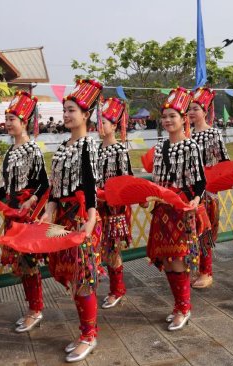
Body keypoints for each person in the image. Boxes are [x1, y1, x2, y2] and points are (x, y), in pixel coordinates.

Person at [40, 79, 103, 363]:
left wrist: (89, 221)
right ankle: (84, 332)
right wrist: (49, 208)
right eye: (64, 110)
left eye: (71, 111)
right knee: (68, 275)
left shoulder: (90, 146)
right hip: (62, 218)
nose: (66, 115)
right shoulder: (64, 146)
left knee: (82, 277)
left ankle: (89, 335)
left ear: (86, 115)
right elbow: (55, 187)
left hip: (80, 217)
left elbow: (90, 187)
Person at [0, 91, 49, 333]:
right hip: (12, 211)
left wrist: (31, 199)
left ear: (25, 122)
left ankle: (36, 309)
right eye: (7, 118)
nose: (8, 123)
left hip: (27, 214)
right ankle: (33, 307)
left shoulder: (33, 150)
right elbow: (9, 184)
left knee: (29, 262)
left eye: (13, 118)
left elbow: (43, 183)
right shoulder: (11, 151)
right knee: (21, 264)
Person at [148, 87, 207, 330]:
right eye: (165, 117)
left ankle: (184, 307)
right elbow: (155, 181)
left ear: (184, 119)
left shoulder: (191, 146)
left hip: (182, 208)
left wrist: (195, 199)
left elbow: (200, 181)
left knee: (180, 257)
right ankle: (178, 304)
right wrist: (148, 195)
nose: (168, 121)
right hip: (163, 210)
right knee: (168, 258)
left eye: (173, 116)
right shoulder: (160, 147)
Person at [187, 87, 229, 289]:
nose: (192, 112)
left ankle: (206, 271)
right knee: (190, 231)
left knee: (204, 230)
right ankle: (194, 268)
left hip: (208, 190)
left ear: (205, 111)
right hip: (189, 190)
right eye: (189, 109)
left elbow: (224, 162)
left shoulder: (213, 133)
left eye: (196, 108)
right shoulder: (187, 135)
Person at [96, 97, 133, 309]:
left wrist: (110, 194)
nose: (101, 126)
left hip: (115, 207)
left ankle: (117, 288)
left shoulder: (120, 150)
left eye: (106, 122)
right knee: (100, 247)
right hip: (97, 205)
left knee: (112, 249)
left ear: (115, 125)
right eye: (99, 122)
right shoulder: (94, 149)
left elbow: (126, 180)